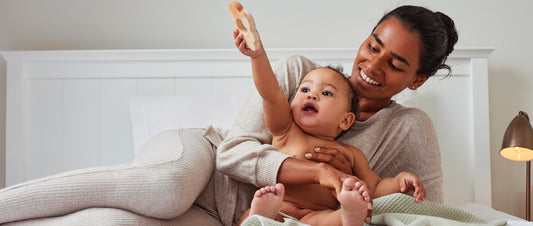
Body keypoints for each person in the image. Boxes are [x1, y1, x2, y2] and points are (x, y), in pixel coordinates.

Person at [0, 5, 457, 226]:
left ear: (416, 81)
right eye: (373, 45)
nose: (372, 65)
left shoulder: (409, 129)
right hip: (203, 161)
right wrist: (318, 171)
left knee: (112, 225)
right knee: (165, 190)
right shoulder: (302, 74)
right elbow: (233, 155)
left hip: (239, 219)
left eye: (396, 64)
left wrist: (379, 193)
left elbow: (425, 216)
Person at [234, 29, 426, 225]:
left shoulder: (351, 154)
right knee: (248, 217)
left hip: (315, 216)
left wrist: (399, 182)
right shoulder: (285, 129)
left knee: (333, 219)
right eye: (305, 89)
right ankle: (261, 216)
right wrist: (257, 56)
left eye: (326, 93)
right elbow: (270, 93)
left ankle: (349, 215)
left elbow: (375, 188)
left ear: (345, 121)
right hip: (280, 206)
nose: (312, 95)